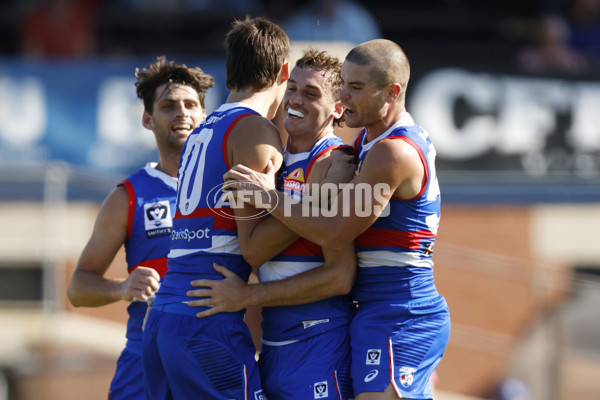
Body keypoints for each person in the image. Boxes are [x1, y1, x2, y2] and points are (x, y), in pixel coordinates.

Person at [224, 39, 451, 400]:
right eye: (343, 83)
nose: (345, 95)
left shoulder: (391, 151)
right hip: (371, 310)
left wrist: (269, 198)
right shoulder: (366, 143)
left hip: (402, 310)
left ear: (392, 92)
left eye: (356, 87)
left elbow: (335, 230)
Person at [187, 48, 358, 400]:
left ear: (338, 108)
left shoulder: (334, 162)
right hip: (273, 346)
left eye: (311, 93)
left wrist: (248, 296)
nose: (295, 99)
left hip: (319, 342)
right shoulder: (271, 156)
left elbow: (340, 276)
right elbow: (252, 249)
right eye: (292, 87)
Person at [141, 17, 292, 399]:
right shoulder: (255, 130)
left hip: (164, 318)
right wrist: (321, 200)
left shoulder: (203, 130)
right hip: (206, 317)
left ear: (229, 73)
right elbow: (255, 245)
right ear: (284, 71)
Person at [66, 56, 214, 399]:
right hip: (147, 358)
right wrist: (122, 288)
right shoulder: (127, 197)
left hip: (212, 353)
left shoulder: (230, 188)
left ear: (204, 115)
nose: (182, 113)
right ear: (148, 119)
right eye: (169, 106)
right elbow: (78, 288)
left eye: (191, 104)